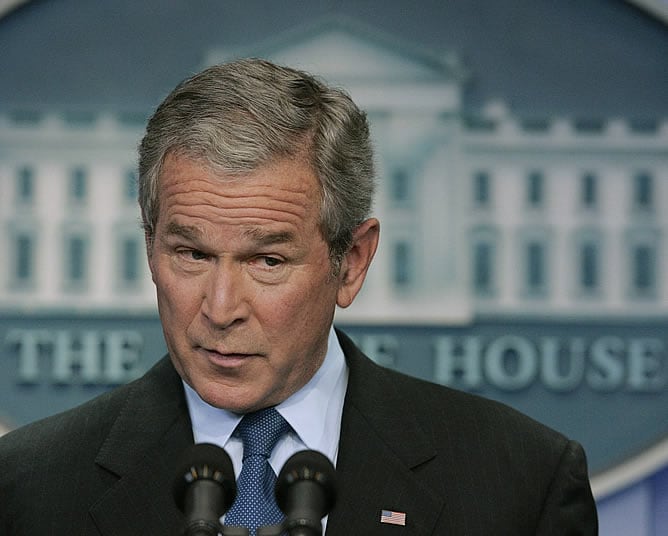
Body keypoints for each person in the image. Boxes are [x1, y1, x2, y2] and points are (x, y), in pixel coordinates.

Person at [0, 58, 598, 535]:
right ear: (150, 247)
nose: (221, 308)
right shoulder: (29, 487)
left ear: (351, 263)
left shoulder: (518, 481)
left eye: (268, 260)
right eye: (193, 255)